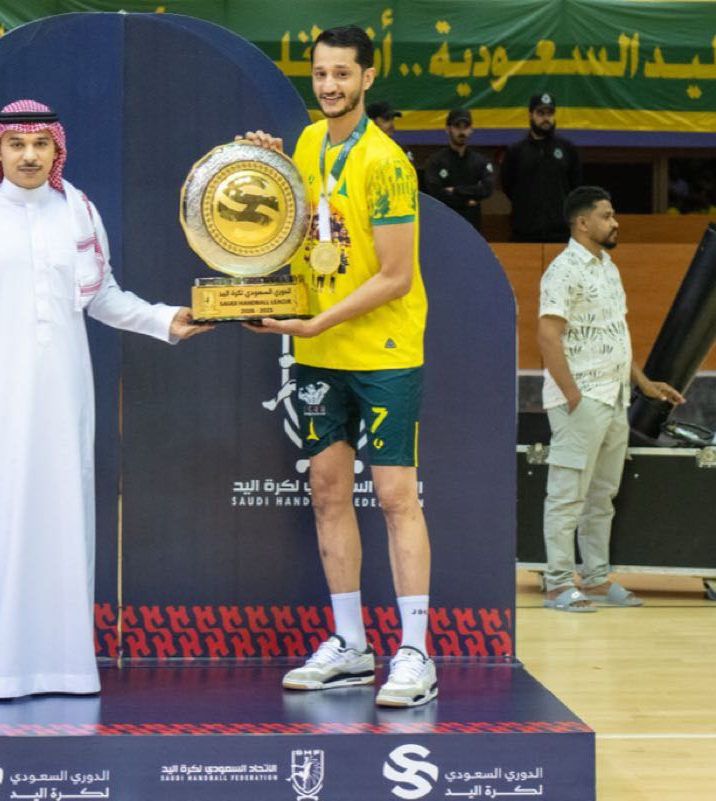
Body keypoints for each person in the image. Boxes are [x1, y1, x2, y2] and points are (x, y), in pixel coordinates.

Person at [0, 99, 210, 699]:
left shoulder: (77, 212)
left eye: (41, 144)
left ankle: (65, 668)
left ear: (57, 150)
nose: (29, 155)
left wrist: (165, 319)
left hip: (63, 395)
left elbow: (102, 297)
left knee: (63, 524)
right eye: (17, 144)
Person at [240, 25, 435, 707]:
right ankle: (351, 644)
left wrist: (318, 320)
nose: (329, 85)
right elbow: (300, 222)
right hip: (319, 353)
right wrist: (269, 167)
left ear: (368, 77)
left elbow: (396, 275)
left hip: (382, 353)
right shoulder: (307, 143)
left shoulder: (388, 162)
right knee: (327, 491)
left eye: (342, 74)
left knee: (395, 496)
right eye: (321, 74)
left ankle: (415, 652)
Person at [537, 186, 683, 611]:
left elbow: (613, 335)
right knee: (567, 495)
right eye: (607, 215)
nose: (615, 222)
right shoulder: (563, 270)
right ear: (583, 222)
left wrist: (643, 383)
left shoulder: (608, 266)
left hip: (614, 397)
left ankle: (596, 579)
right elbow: (547, 335)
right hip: (582, 400)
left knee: (601, 497)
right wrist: (572, 395)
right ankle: (557, 584)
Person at [502, 92, 581, 242]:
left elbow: (574, 185)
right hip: (525, 233)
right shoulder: (516, 151)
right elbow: (508, 186)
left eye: (549, 113)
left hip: (560, 233)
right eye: (540, 113)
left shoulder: (567, 148)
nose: (546, 118)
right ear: (530, 114)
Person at [423, 108, 495, 231]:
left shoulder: (480, 161)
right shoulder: (435, 161)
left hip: (472, 227)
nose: (462, 132)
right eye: (457, 127)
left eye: (466, 127)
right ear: (447, 129)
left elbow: (487, 189)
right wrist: (468, 201)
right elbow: (436, 194)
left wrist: (456, 190)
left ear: (471, 130)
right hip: (444, 225)